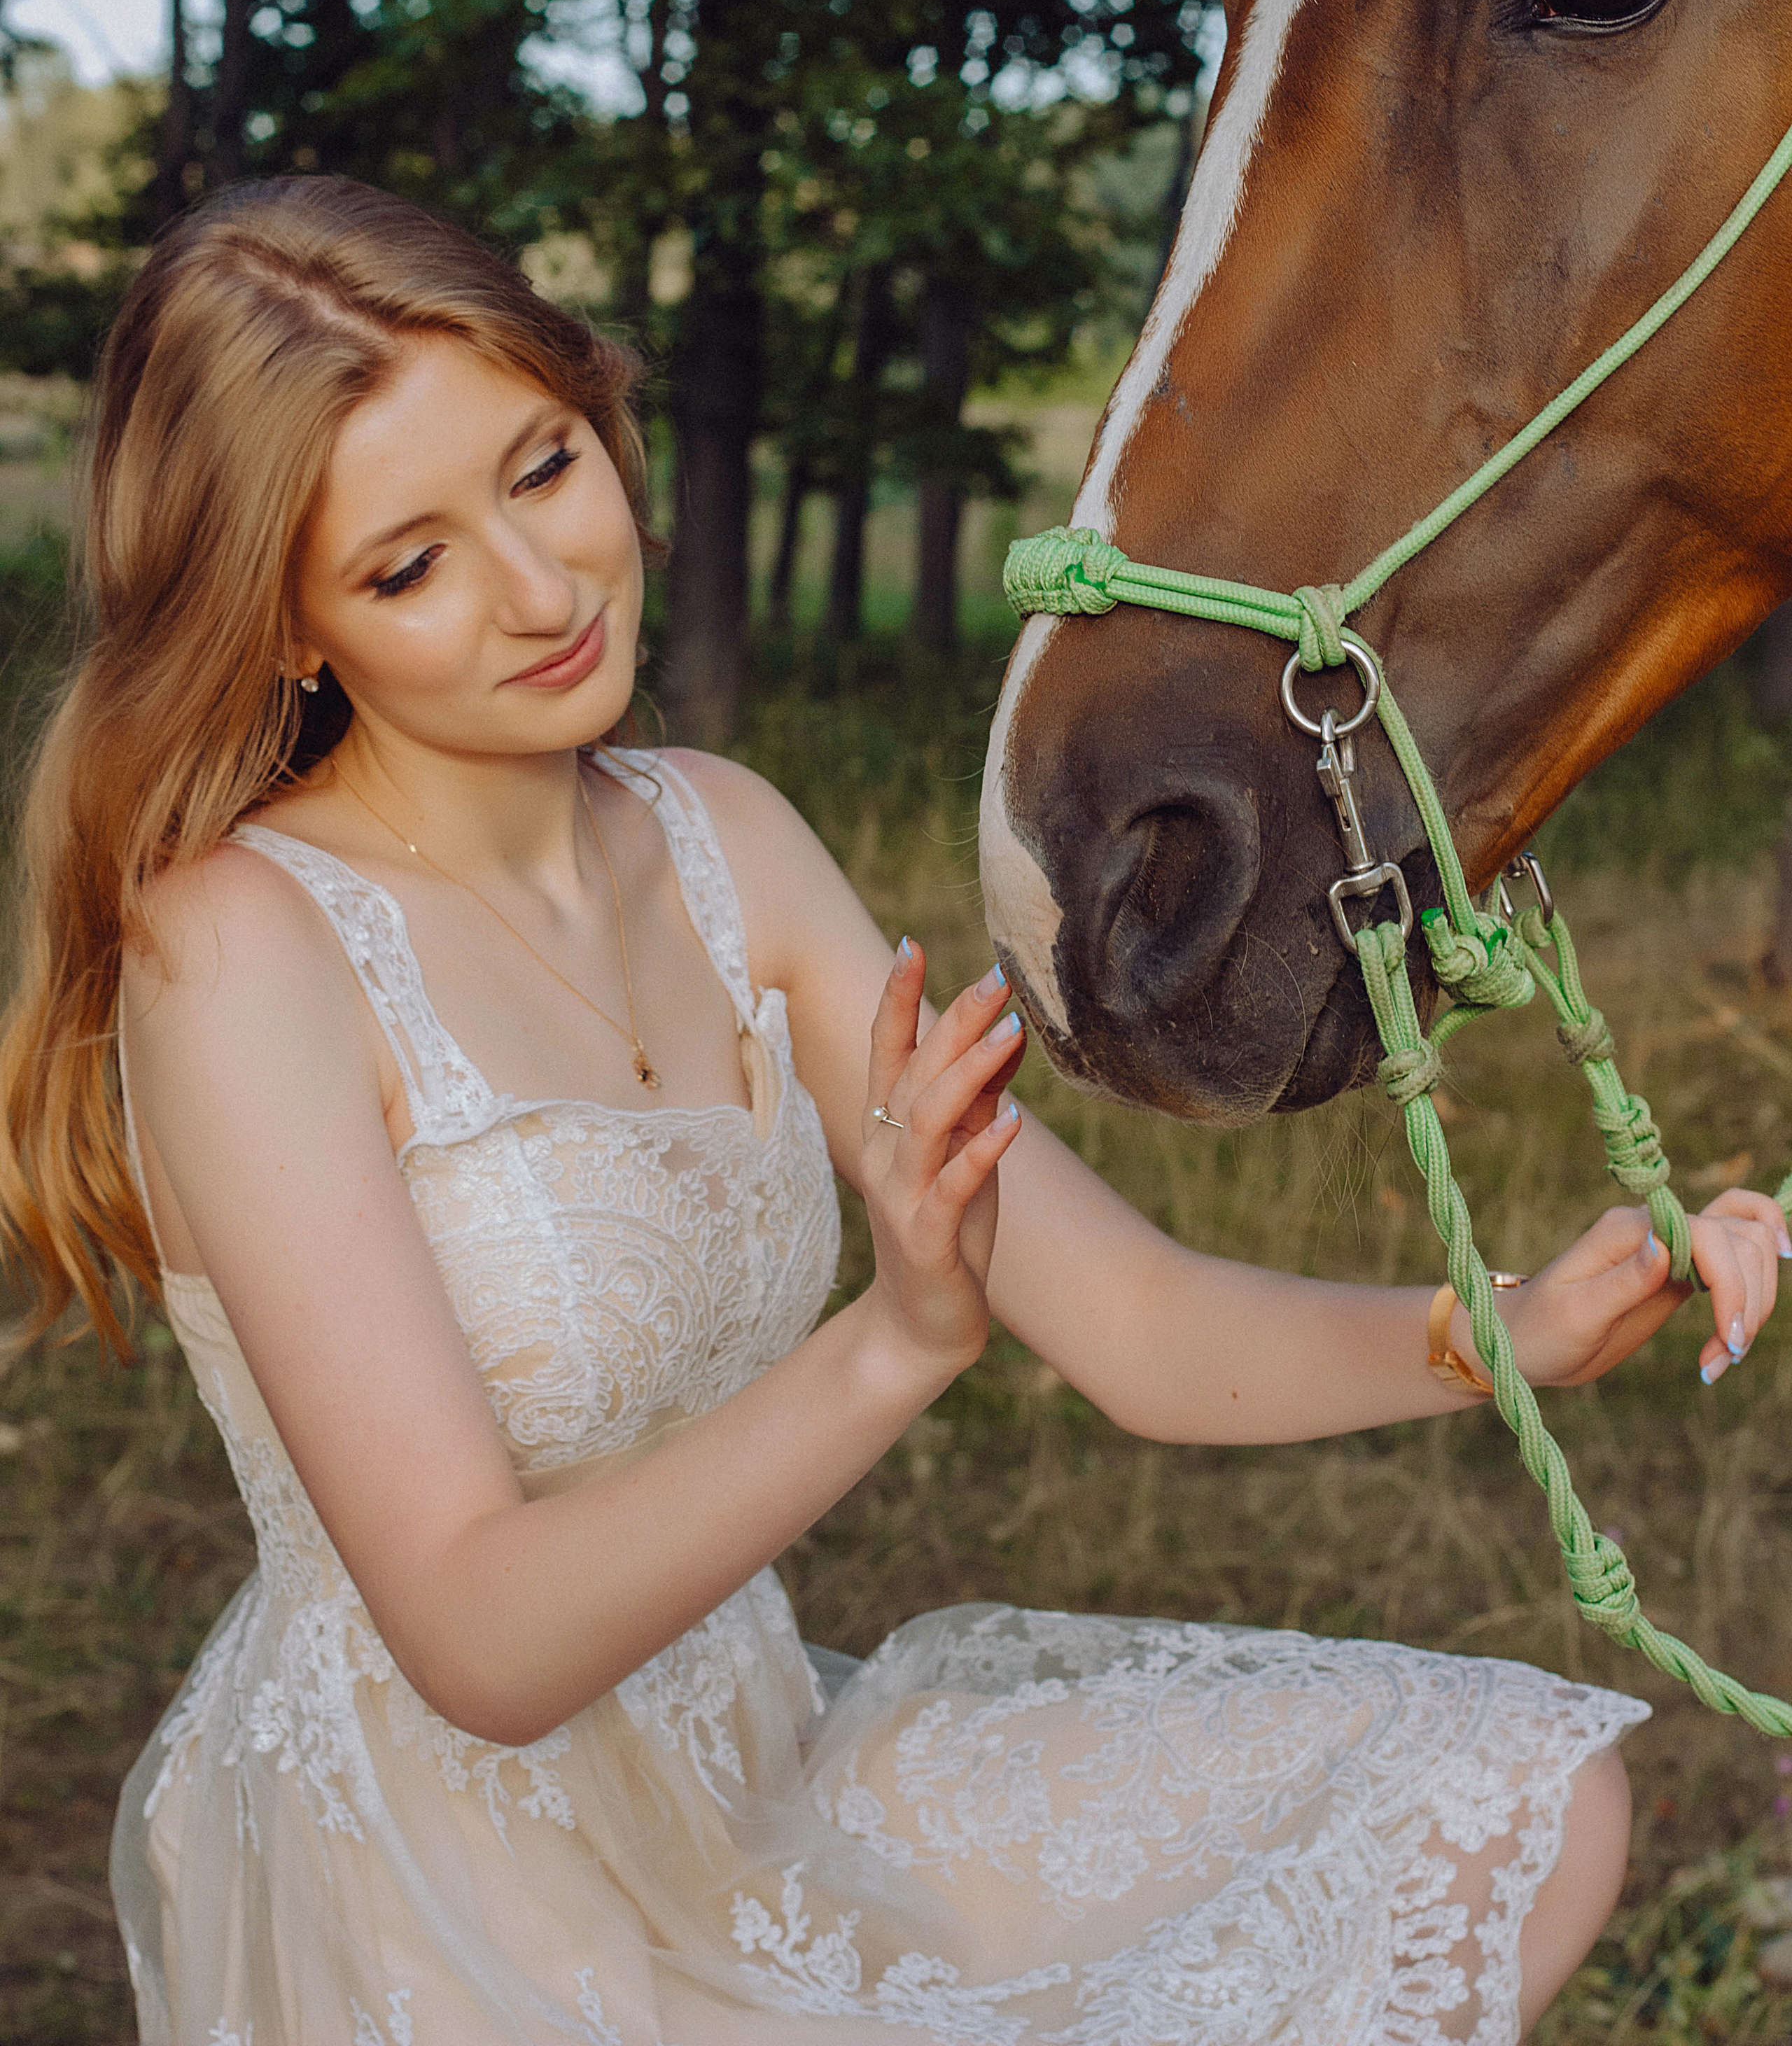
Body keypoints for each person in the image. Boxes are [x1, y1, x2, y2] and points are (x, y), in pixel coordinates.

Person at [0, 178, 1781, 2046]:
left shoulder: (724, 834)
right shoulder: (237, 951)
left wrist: (1501, 1328)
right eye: (406, 566)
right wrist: (894, 1344)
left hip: (750, 1782)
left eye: (540, 470)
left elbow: (1135, 1324)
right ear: (284, 629)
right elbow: (478, 1642)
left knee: (1522, 1806)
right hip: (452, 1890)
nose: (541, 589)